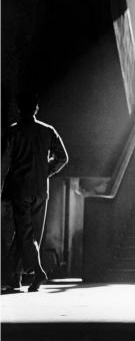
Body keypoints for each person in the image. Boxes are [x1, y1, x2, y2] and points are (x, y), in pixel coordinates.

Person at [1, 91, 68, 292]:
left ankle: (38, 272)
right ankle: (16, 275)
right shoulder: (48, 131)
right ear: (36, 108)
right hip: (41, 189)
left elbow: (3, 163)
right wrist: (45, 171)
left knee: (24, 233)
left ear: (19, 109)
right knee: (31, 235)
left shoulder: (14, 132)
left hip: (20, 189)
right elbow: (62, 157)